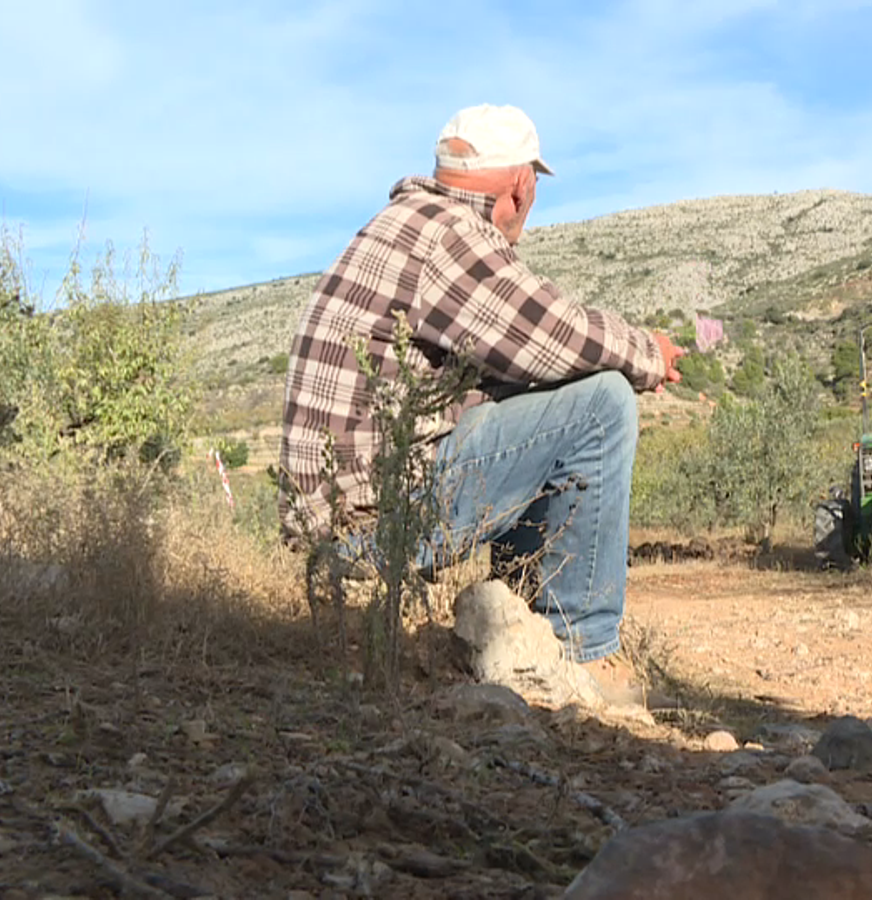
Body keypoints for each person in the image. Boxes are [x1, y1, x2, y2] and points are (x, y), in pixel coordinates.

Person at [278, 103, 682, 696]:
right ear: (520, 187)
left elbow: (520, 358)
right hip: (375, 529)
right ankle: (582, 652)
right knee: (603, 403)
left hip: (338, 530)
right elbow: (557, 333)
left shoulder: (401, 223)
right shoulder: (450, 235)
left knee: (541, 389)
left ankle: (513, 624)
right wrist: (649, 353)